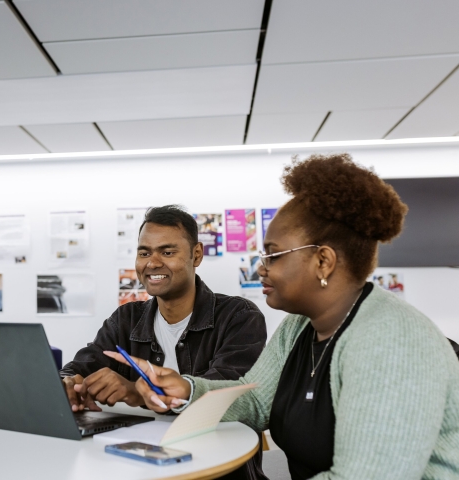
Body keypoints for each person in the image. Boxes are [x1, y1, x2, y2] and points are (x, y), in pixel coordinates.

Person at [108, 155, 459, 479]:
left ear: (323, 261)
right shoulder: (300, 326)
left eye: (274, 255)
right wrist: (185, 389)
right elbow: (256, 400)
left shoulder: (390, 339)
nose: (261, 268)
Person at [61, 205, 267, 479]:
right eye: (144, 252)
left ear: (196, 255)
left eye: (167, 252)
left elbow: (223, 400)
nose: (152, 262)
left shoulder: (239, 317)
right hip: (140, 467)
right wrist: (68, 384)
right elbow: (80, 366)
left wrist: (138, 393)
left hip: (217, 469)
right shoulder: (126, 319)